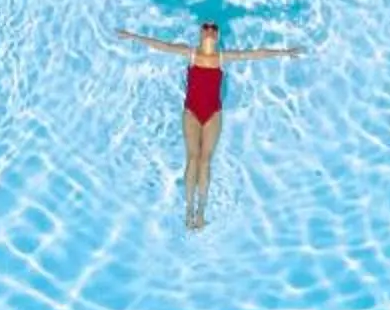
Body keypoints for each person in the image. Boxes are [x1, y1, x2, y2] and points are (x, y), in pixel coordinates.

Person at [115, 21, 304, 230]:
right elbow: (163, 46)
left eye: (214, 28)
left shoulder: (222, 58)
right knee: (193, 158)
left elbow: (253, 54)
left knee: (205, 161)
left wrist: (284, 52)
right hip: (191, 112)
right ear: (200, 32)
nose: (210, 30)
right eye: (206, 27)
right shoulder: (191, 54)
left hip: (213, 114)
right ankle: (188, 211)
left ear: (218, 36)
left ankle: (201, 213)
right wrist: (133, 36)